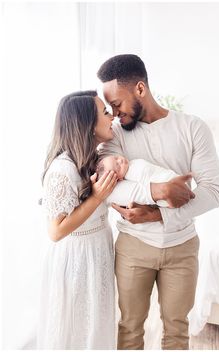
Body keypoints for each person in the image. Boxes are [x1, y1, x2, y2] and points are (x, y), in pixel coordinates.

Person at [97, 54, 219, 350]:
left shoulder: (193, 127)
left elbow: (214, 191)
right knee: (129, 328)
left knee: (177, 332)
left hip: (182, 247)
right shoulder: (114, 136)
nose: (114, 115)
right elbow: (107, 189)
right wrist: (159, 191)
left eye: (117, 104)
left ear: (140, 89)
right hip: (132, 248)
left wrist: (158, 215)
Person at [37, 90, 119, 349]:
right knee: (76, 331)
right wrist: (95, 199)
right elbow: (56, 231)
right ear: (87, 124)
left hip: (98, 252)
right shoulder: (63, 169)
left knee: (95, 327)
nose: (112, 116)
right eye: (105, 112)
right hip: (77, 260)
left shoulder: (91, 160)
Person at [96, 154, 181, 207]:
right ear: (119, 179)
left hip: (169, 179)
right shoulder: (131, 175)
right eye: (118, 166)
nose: (120, 160)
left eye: (116, 157)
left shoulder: (132, 163)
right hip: (167, 186)